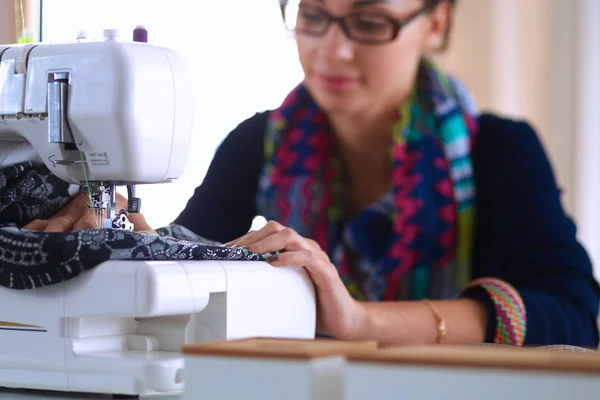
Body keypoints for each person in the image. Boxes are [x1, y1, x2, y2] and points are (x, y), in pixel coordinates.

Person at [30, 0, 600, 347]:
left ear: (436, 23)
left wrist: (358, 320)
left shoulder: (500, 152)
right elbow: (187, 258)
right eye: (314, 17)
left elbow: (574, 312)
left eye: (370, 22)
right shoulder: (258, 142)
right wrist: (117, 232)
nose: (334, 50)